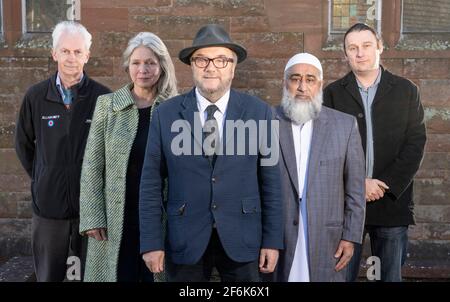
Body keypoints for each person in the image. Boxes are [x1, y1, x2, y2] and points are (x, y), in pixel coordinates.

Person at [139, 24, 282, 282]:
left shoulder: (259, 112)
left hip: (244, 239)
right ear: (192, 66)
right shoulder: (165, 114)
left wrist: (273, 241)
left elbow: (271, 182)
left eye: (221, 60)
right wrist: (151, 242)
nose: (211, 67)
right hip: (185, 239)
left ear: (233, 67)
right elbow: (150, 183)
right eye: (202, 59)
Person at [323, 23, 427, 282]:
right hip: (345, 206)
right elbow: (326, 149)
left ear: (380, 47)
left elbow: (415, 144)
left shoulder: (406, 91)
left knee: (385, 276)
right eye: (352, 48)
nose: (360, 53)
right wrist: (358, 184)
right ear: (345, 54)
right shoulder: (332, 94)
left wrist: (384, 185)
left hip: (390, 204)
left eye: (366, 45)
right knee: (340, 275)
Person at [14, 21, 111, 282]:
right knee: (48, 277)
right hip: (48, 211)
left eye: (78, 52)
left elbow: (112, 153)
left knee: (91, 277)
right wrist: (44, 174)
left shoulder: (103, 99)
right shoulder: (35, 97)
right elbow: (23, 144)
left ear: (87, 56)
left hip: (90, 213)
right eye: (65, 51)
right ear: (54, 53)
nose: (71, 58)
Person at [78, 32, 178, 282]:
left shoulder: (175, 109)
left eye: (150, 62)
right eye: (136, 63)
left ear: (162, 66)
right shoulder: (107, 105)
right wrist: (92, 215)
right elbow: (92, 164)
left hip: (159, 216)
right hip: (114, 218)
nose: (142, 69)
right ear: (128, 66)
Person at [271, 53, 365, 282]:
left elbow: (355, 188)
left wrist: (350, 237)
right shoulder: (265, 121)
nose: (302, 87)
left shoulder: (344, 125)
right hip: (278, 237)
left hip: (327, 238)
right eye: (295, 79)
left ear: (320, 84)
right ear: (285, 83)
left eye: (310, 79)